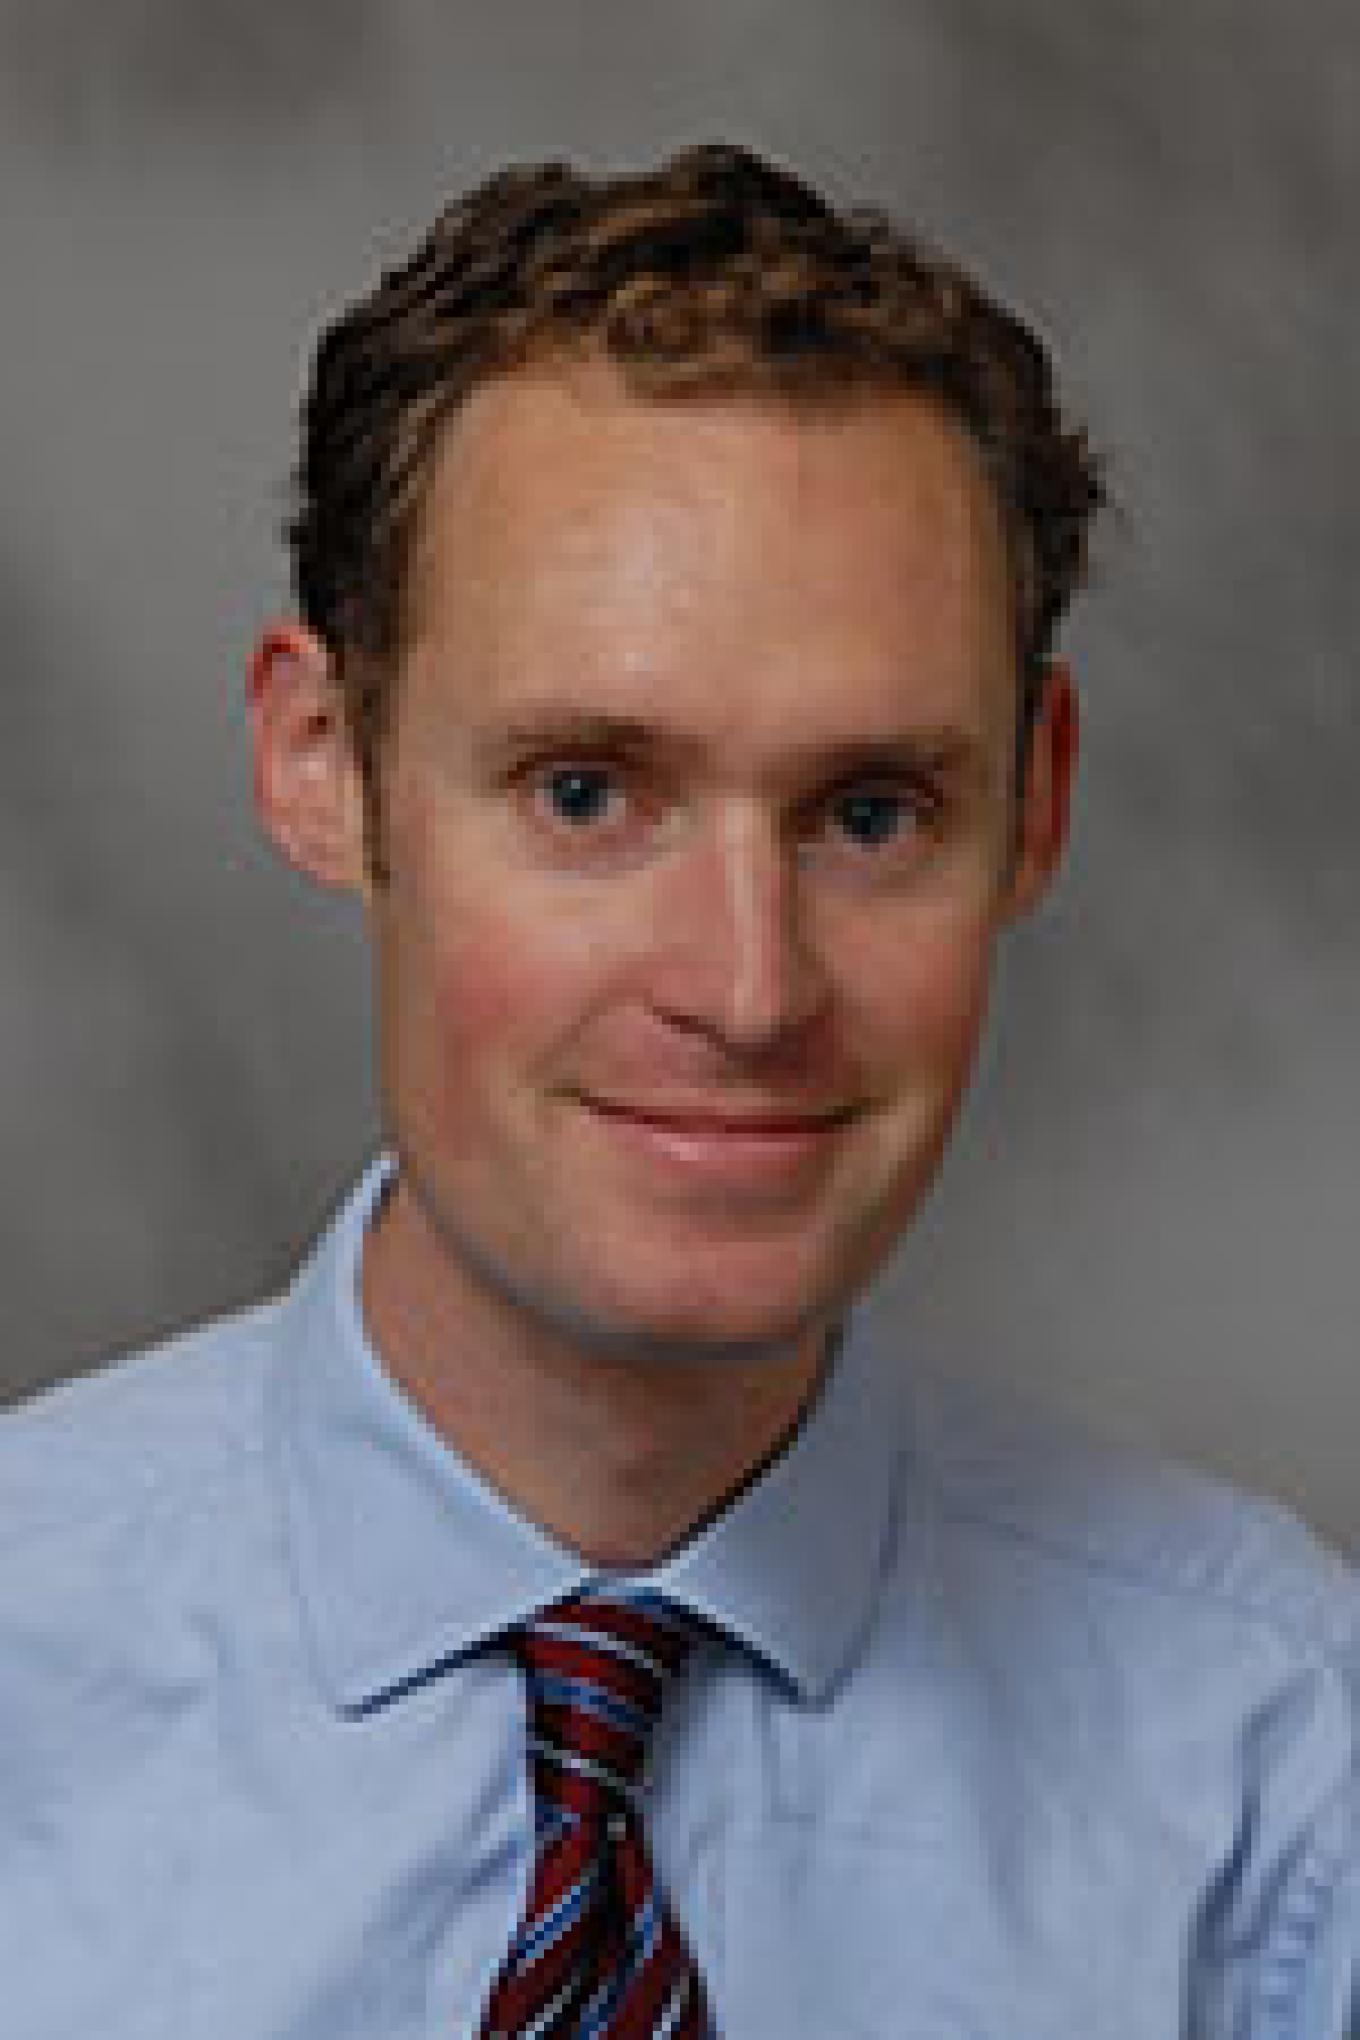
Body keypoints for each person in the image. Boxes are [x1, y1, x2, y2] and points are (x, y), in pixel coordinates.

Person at [2, 141, 1355, 2038]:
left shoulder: (1278, 1778)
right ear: (323, 761)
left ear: (1036, 802)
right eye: (586, 793)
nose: (746, 986)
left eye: (870, 813)